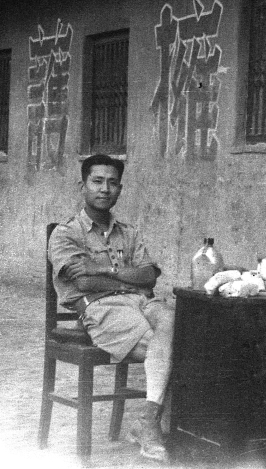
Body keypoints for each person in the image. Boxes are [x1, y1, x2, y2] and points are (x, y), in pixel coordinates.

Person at [49, 154, 173, 463]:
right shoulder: (66, 233)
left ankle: (147, 421)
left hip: (143, 302)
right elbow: (85, 283)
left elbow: (149, 275)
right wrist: (127, 281)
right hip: (101, 308)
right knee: (176, 349)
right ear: (83, 186)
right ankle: (155, 424)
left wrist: (108, 273)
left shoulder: (129, 232)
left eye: (113, 183)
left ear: (120, 189)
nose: (105, 189)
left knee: (176, 319)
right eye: (97, 181)